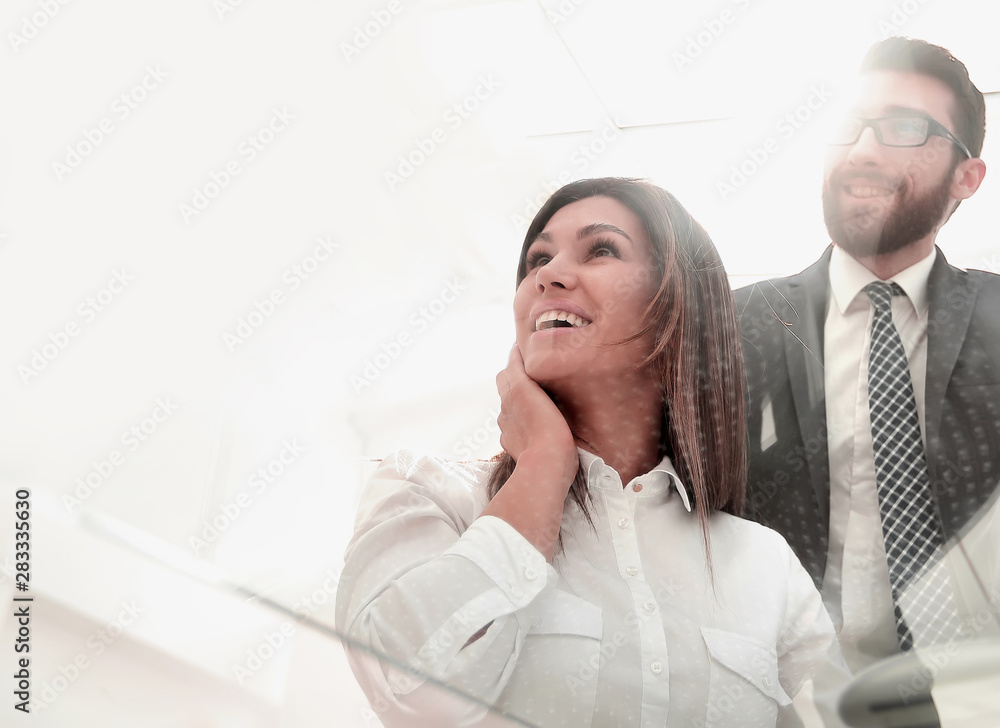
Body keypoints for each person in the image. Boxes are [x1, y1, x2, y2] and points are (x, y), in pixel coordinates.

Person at [336, 177, 841, 728]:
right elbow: (403, 689)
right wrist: (544, 464)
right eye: (538, 258)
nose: (547, 275)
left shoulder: (766, 563)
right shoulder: (427, 494)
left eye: (601, 249)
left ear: (678, 312)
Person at [735, 36, 1000, 677]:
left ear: (967, 176)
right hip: (788, 687)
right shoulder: (734, 322)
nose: (861, 150)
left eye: (903, 128)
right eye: (847, 126)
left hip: (974, 687)